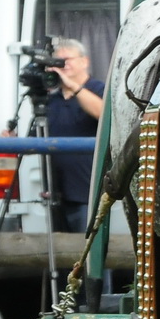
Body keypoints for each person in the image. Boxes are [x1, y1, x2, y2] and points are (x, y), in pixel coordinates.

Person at [43, 39, 104, 233]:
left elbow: (102, 113)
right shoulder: (51, 101)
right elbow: (35, 140)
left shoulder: (99, 89)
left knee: (87, 251)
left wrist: (74, 87)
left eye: (67, 60)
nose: (62, 66)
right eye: (58, 62)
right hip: (56, 194)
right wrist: (13, 140)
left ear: (84, 62)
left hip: (87, 192)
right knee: (63, 254)